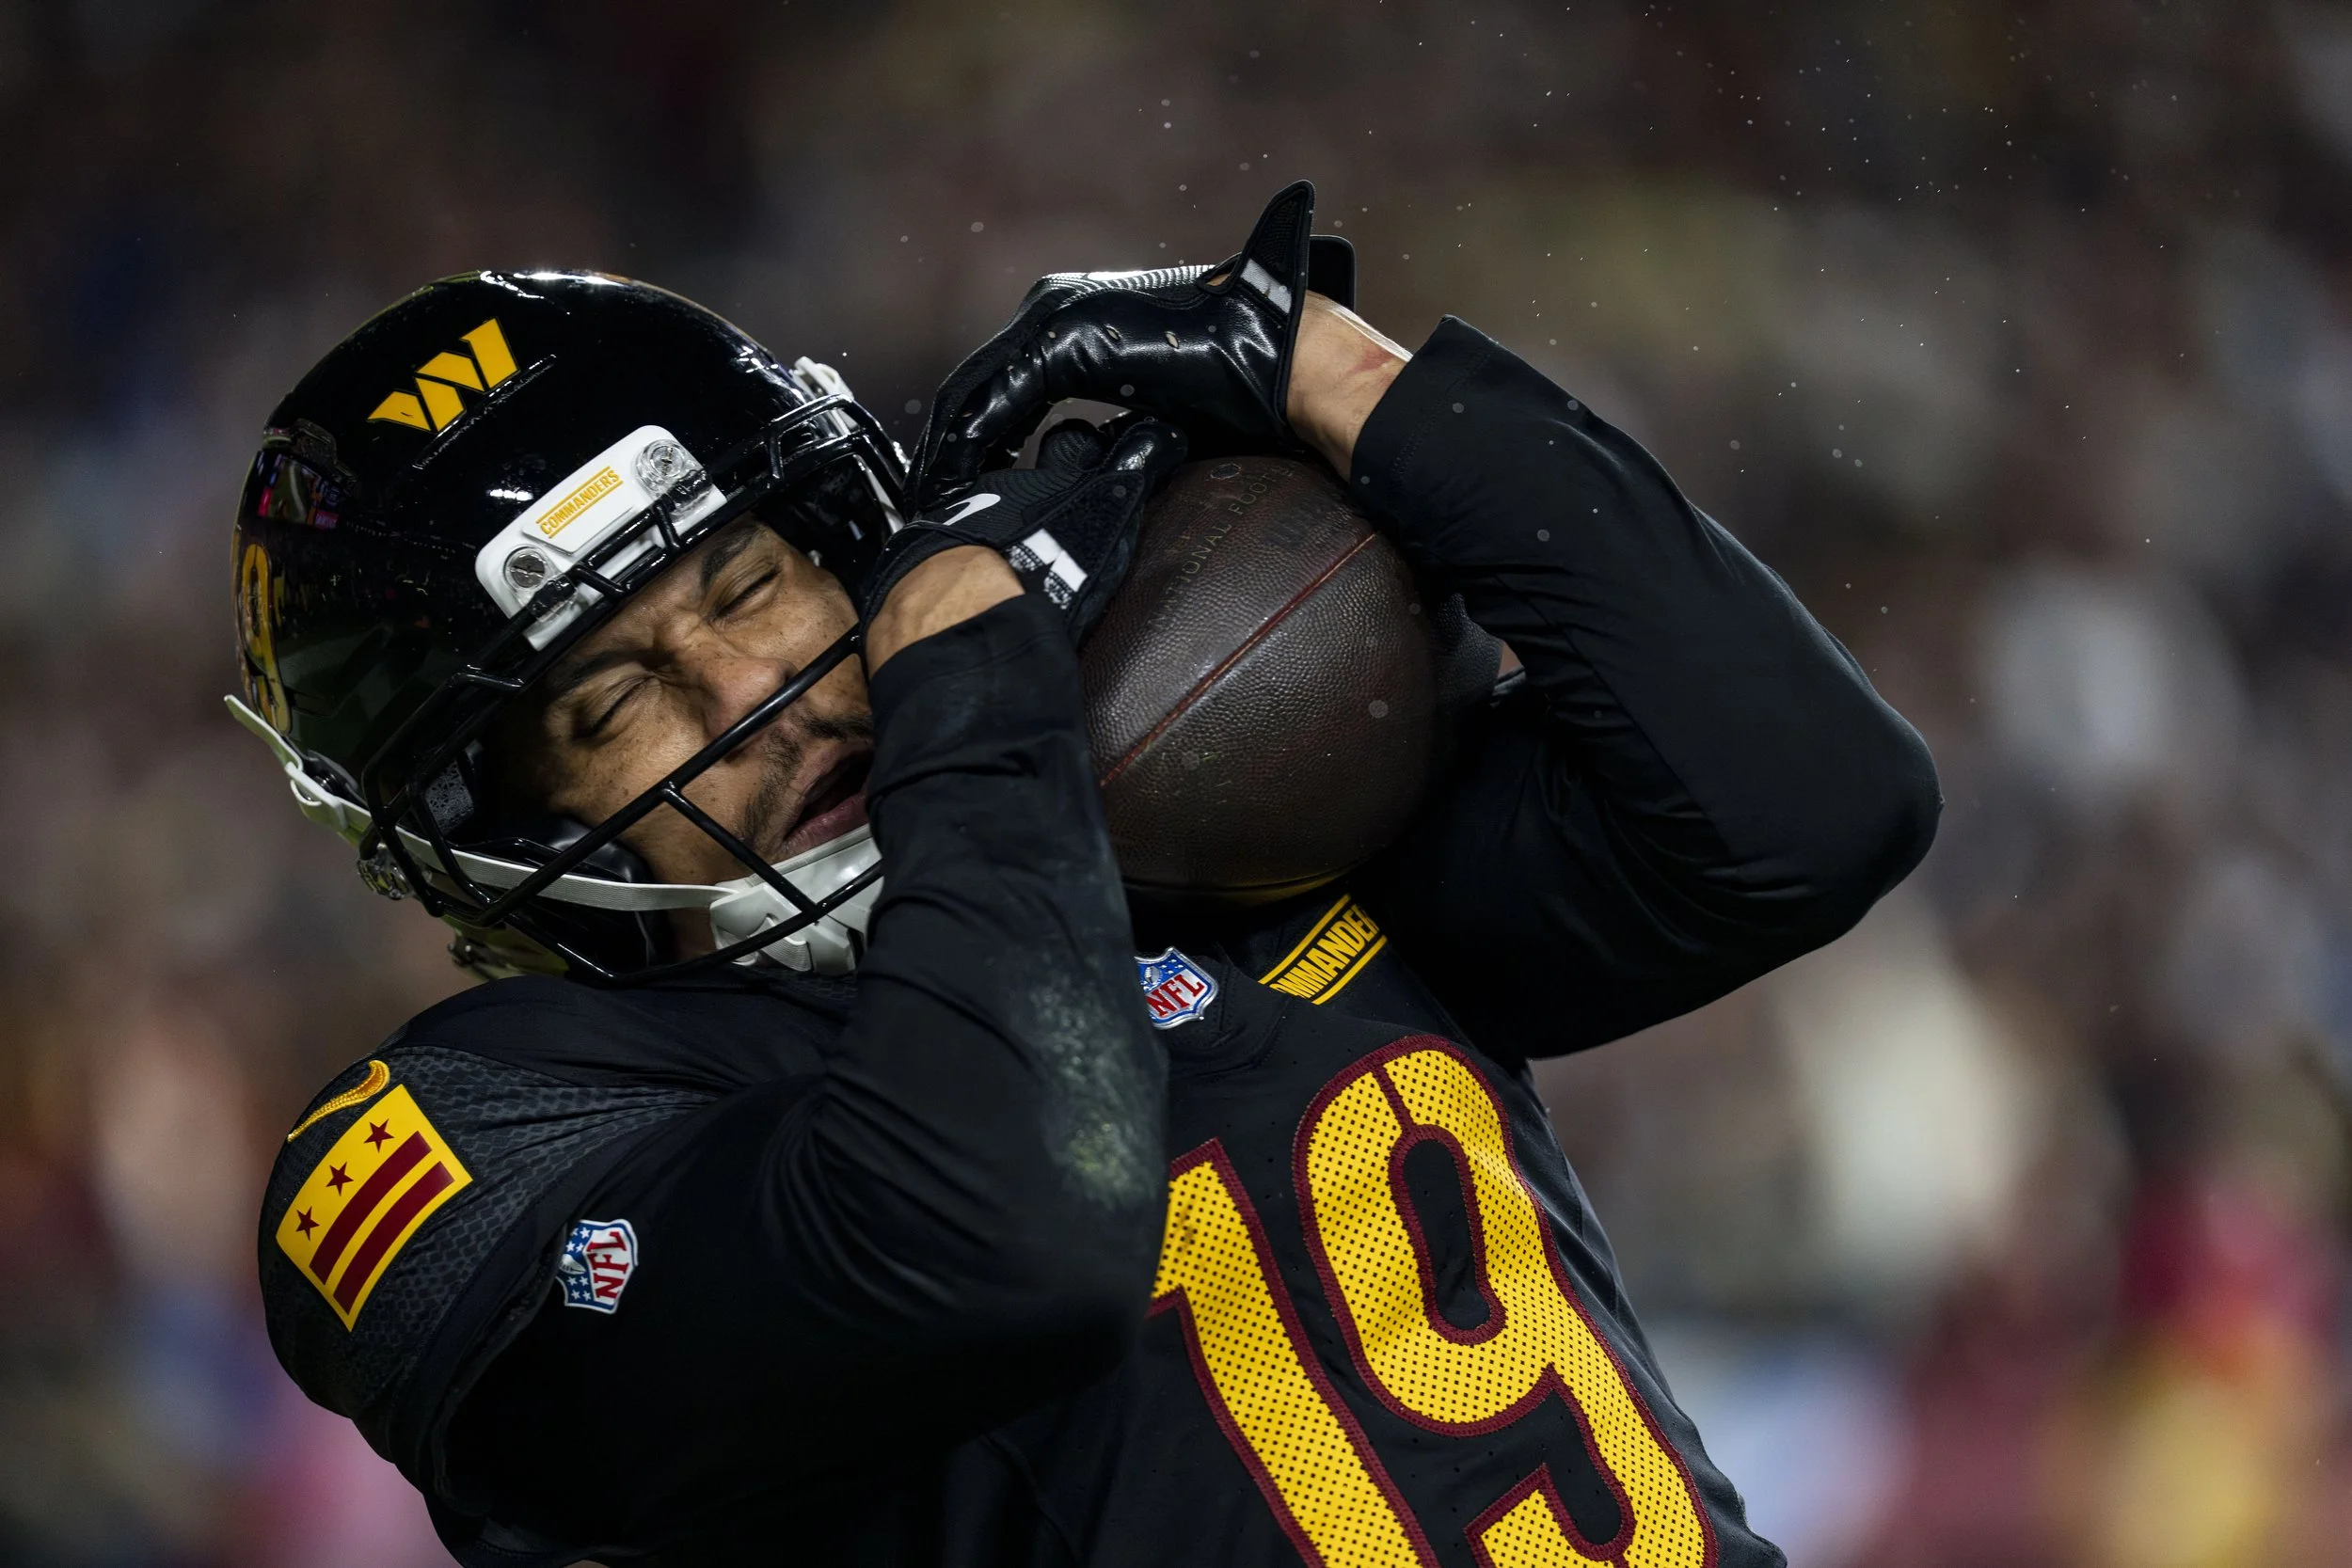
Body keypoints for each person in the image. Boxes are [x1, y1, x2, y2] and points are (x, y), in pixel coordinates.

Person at [237, 182, 1937, 1567]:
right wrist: (972, 669)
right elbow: (1006, 1235)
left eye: (751, 587)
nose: (749, 694)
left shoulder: (1190, 811)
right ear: (499, 833)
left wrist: (1328, 374)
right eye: (613, 702)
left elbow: (1804, 809)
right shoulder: (482, 1139)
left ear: (843, 536)